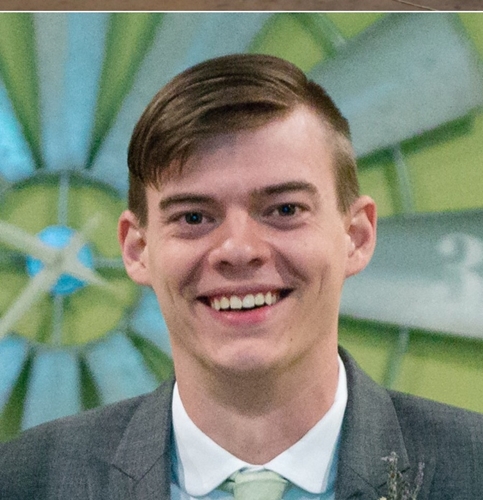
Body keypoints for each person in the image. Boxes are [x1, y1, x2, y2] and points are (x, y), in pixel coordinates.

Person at [1, 53, 482, 500]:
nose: (238, 250)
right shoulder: (25, 482)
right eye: (193, 217)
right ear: (137, 249)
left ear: (355, 236)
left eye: (285, 209)